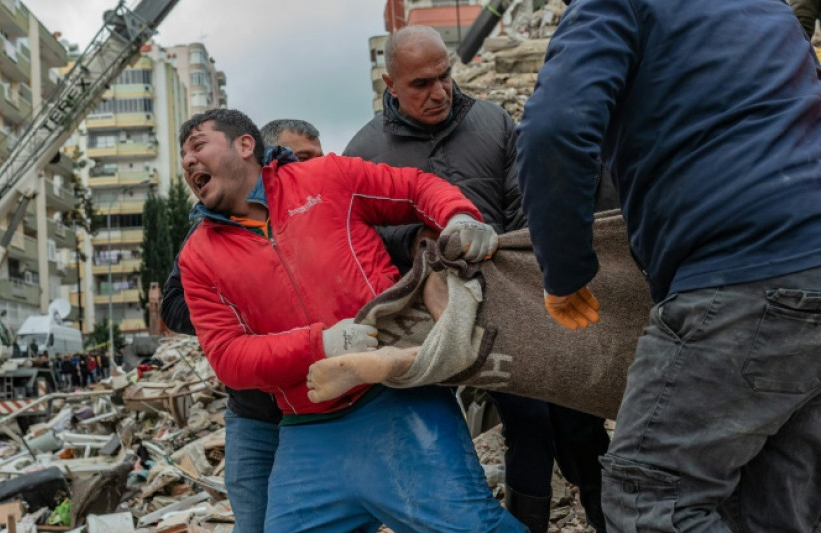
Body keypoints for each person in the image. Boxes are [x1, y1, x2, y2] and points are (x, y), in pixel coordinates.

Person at [516, 1, 821, 531]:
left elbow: (555, 128)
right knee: (771, 505)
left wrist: (565, 273)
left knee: (648, 496)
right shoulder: (764, 6)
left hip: (741, 272)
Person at [178, 108, 524, 533]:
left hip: (396, 401)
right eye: (183, 156)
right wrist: (321, 345)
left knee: (471, 527)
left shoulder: (325, 178)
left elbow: (415, 189)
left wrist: (457, 215)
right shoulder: (198, 256)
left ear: (245, 145)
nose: (188, 161)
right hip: (309, 432)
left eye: (198, 145)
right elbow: (228, 358)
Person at [343, 25, 608, 533]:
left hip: (526, 297)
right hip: (439, 315)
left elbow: (525, 200)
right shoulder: (366, 150)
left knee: (579, 421)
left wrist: (509, 253)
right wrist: (416, 242)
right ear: (389, 83)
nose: (439, 92)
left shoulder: (492, 122)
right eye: (421, 83)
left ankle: (608, 516)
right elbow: (366, 233)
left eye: (445, 76)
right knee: (524, 421)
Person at [161, 117, 325, 533]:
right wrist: (240, 320)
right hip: (254, 414)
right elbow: (173, 305)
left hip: (327, 409)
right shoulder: (213, 229)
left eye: (313, 160)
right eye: (297, 159)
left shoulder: (322, 206)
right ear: (261, 154)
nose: (305, 169)